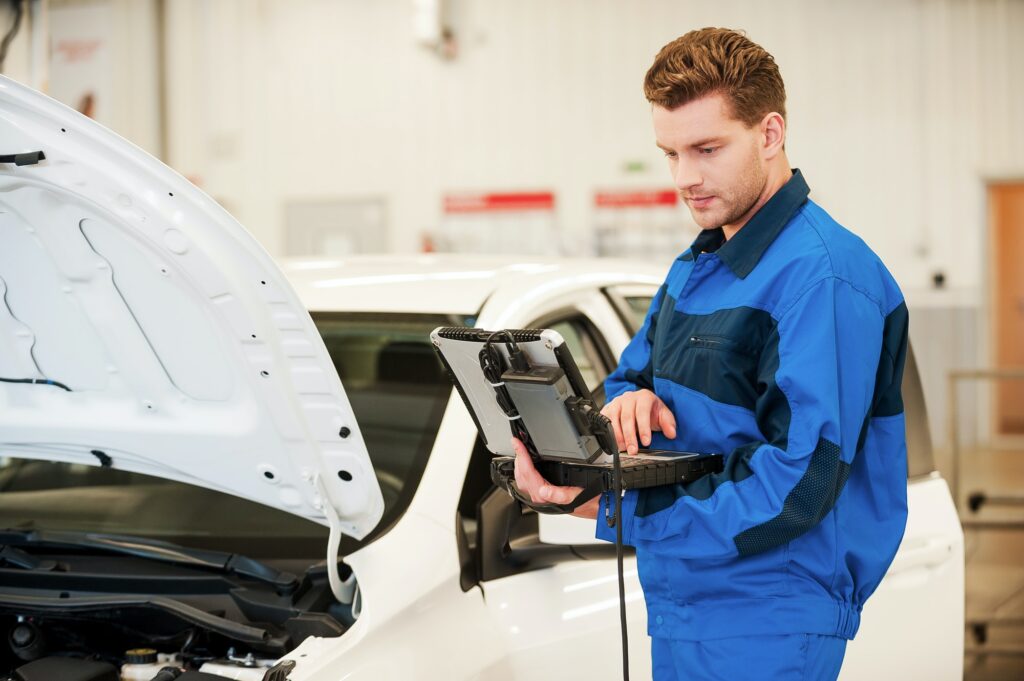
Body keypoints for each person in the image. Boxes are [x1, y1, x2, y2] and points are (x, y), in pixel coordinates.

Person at [512, 27, 909, 681]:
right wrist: (629, 399)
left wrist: (608, 507)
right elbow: (627, 376)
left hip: (767, 618)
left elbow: (799, 484)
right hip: (684, 604)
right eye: (670, 152)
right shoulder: (698, 267)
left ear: (770, 134)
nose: (684, 177)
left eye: (706, 148)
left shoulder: (824, 276)